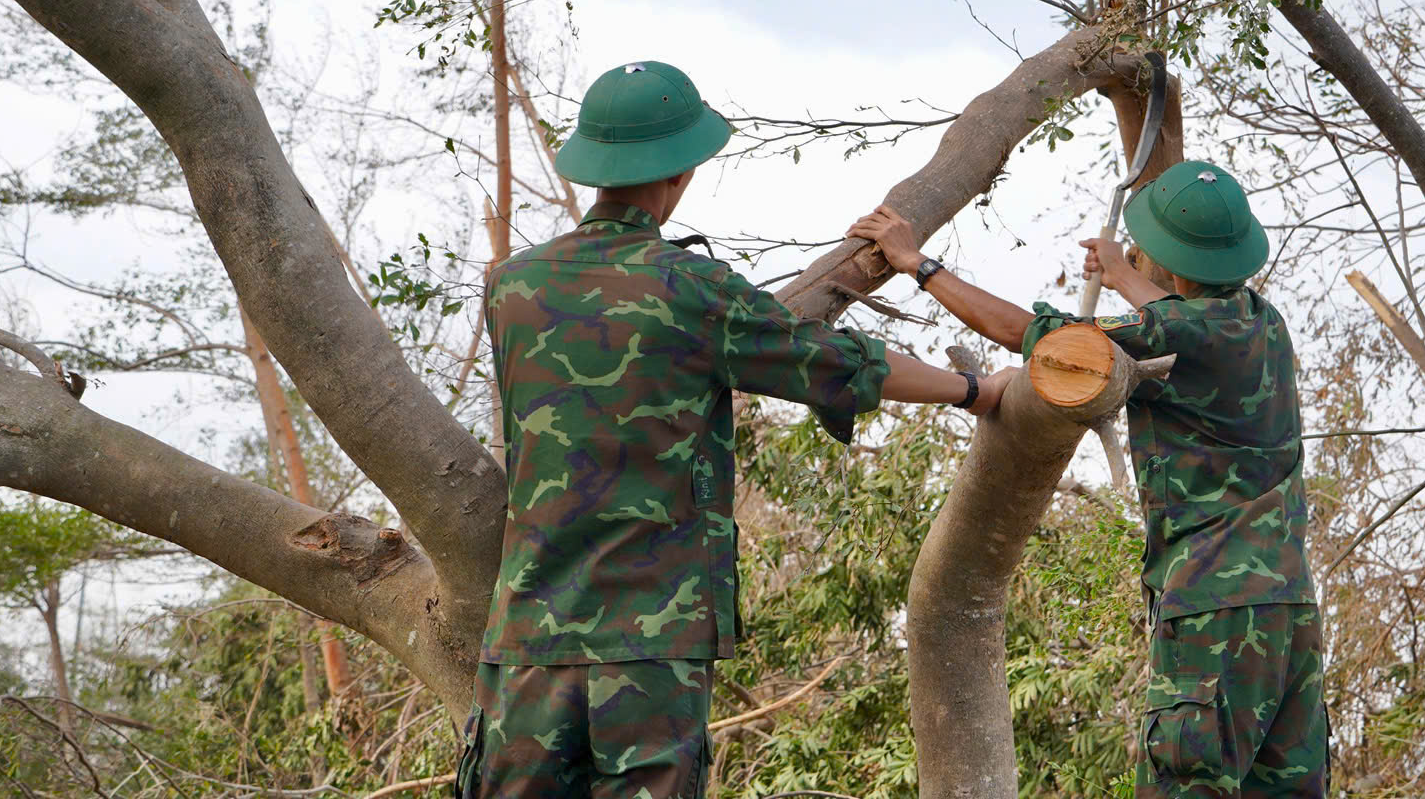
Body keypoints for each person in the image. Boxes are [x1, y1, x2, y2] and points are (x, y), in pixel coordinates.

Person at [460, 60, 1011, 799]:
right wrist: (972, 390)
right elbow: (839, 363)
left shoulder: (510, 285)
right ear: (680, 172)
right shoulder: (694, 288)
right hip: (651, 647)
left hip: (526, 641)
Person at [846, 159, 1326, 798]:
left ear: (1169, 257)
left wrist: (918, 264)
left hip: (1213, 606)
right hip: (1290, 610)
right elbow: (1180, 321)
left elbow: (1034, 336)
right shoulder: (1263, 321)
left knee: (1186, 784)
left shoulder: (1173, 329)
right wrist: (1124, 275)